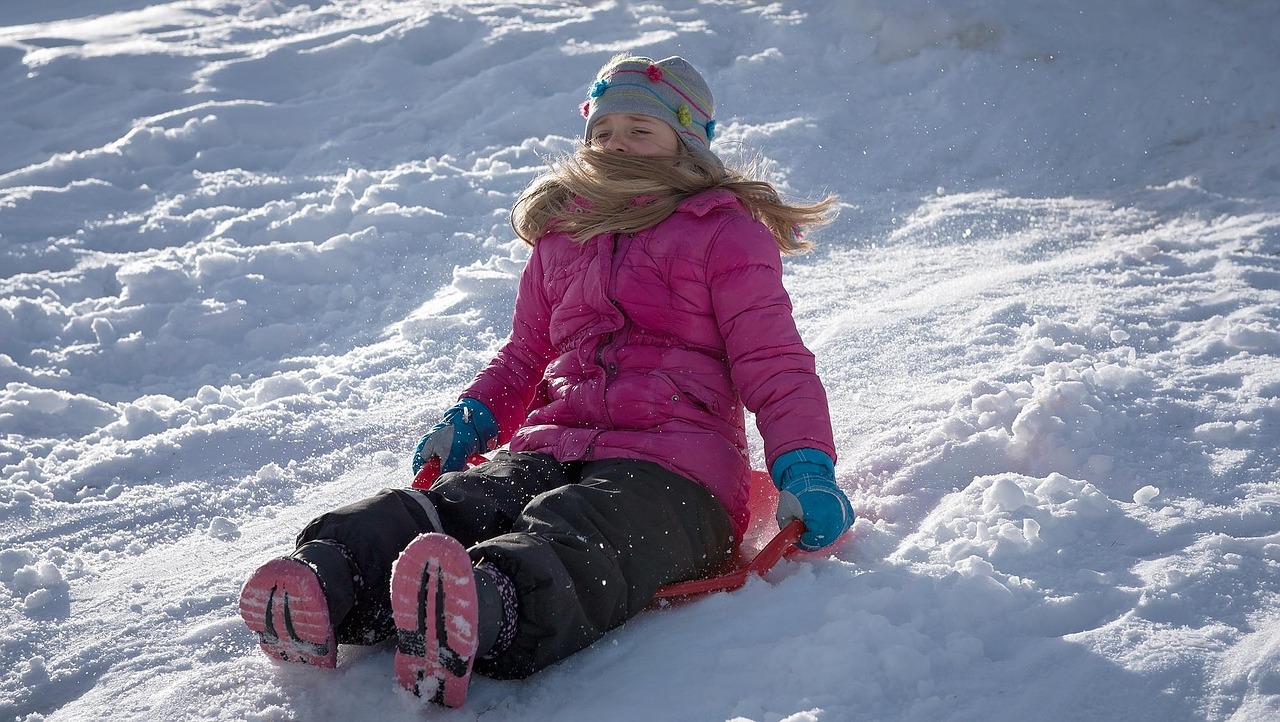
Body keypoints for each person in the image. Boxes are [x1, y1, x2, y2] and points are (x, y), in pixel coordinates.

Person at [238, 53, 854, 708]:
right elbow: (527, 352)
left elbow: (774, 361)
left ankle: (485, 604)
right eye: (604, 131)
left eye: (640, 130)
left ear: (689, 142)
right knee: (467, 500)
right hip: (553, 445)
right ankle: (332, 579)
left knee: (584, 527)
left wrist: (806, 468)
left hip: (675, 478)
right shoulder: (565, 233)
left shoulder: (725, 234)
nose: (618, 144)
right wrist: (473, 415)